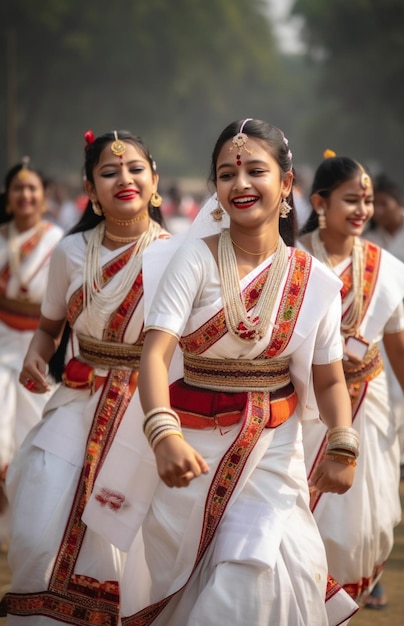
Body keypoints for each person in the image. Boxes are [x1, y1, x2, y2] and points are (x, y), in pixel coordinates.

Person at [89, 118, 359, 626]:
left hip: (273, 456)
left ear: (286, 182)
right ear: (214, 187)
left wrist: (343, 443)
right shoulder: (192, 260)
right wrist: (163, 434)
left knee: (264, 574)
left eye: (256, 170)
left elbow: (327, 379)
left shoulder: (313, 281)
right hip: (192, 454)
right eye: (226, 174)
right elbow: (154, 354)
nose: (240, 184)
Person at [2, 130, 169, 625]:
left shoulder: (180, 255)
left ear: (154, 180)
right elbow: (50, 328)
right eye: (109, 171)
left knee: (127, 542)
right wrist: (38, 355)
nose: (125, 178)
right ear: (90, 189)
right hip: (77, 400)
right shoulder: (71, 252)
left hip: (146, 412)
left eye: (136, 168)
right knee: (35, 527)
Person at [298, 153, 404, 610]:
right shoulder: (295, 257)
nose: (363, 210)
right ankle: (313, 591)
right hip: (310, 402)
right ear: (320, 203)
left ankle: (352, 587)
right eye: (352, 199)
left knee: (374, 517)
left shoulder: (380, 264)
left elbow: (399, 344)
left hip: (369, 399)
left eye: (366, 200)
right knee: (315, 507)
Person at [0, 159, 63, 549]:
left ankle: (27, 533)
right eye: (18, 189)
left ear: (44, 196)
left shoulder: (60, 243)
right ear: (8, 197)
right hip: (0, 344)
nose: (25, 196)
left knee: (32, 443)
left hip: (40, 353)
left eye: (32, 189)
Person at [365, 173, 404, 480]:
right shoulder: (370, 238)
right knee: (391, 389)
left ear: (398, 202)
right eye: (375, 205)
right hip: (384, 321)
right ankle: (399, 458)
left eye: (384, 203)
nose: (379, 211)